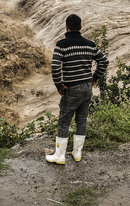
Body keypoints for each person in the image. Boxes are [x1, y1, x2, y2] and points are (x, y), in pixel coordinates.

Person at [46, 14, 108, 164]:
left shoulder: (62, 45)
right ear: (80, 27)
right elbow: (104, 61)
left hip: (72, 89)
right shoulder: (89, 44)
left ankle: (60, 156)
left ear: (66, 27)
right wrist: (94, 78)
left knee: (64, 121)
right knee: (81, 120)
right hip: (87, 88)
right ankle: (77, 153)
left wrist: (59, 86)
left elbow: (55, 68)